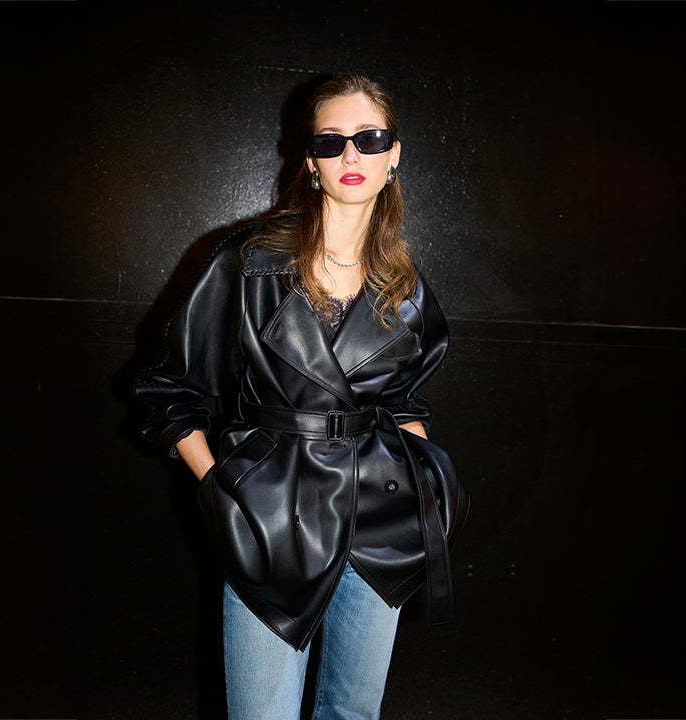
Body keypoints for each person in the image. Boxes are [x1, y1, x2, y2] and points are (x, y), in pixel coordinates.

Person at [135, 72, 468, 720]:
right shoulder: (249, 262)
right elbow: (167, 390)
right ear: (310, 160)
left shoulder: (406, 286)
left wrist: (424, 490)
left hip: (380, 521)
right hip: (273, 520)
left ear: (394, 155)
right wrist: (225, 493)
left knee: (353, 713)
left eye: (370, 138)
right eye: (331, 140)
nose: (351, 154)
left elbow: (405, 402)